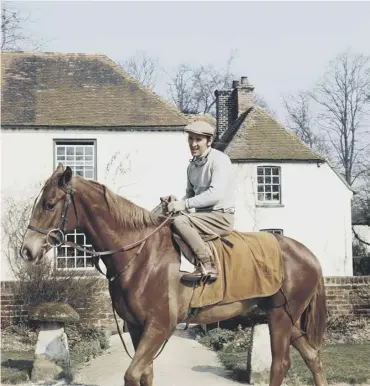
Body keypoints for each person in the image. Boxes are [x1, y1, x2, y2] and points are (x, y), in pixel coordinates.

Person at [167, 121, 236, 283]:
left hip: (220, 217)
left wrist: (184, 205)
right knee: (168, 219)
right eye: (190, 139)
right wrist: (176, 203)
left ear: (209, 141)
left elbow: (215, 195)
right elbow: (190, 194)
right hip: (201, 217)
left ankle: (207, 265)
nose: (193, 144)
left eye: (198, 140)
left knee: (180, 221)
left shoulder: (220, 160)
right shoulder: (192, 166)